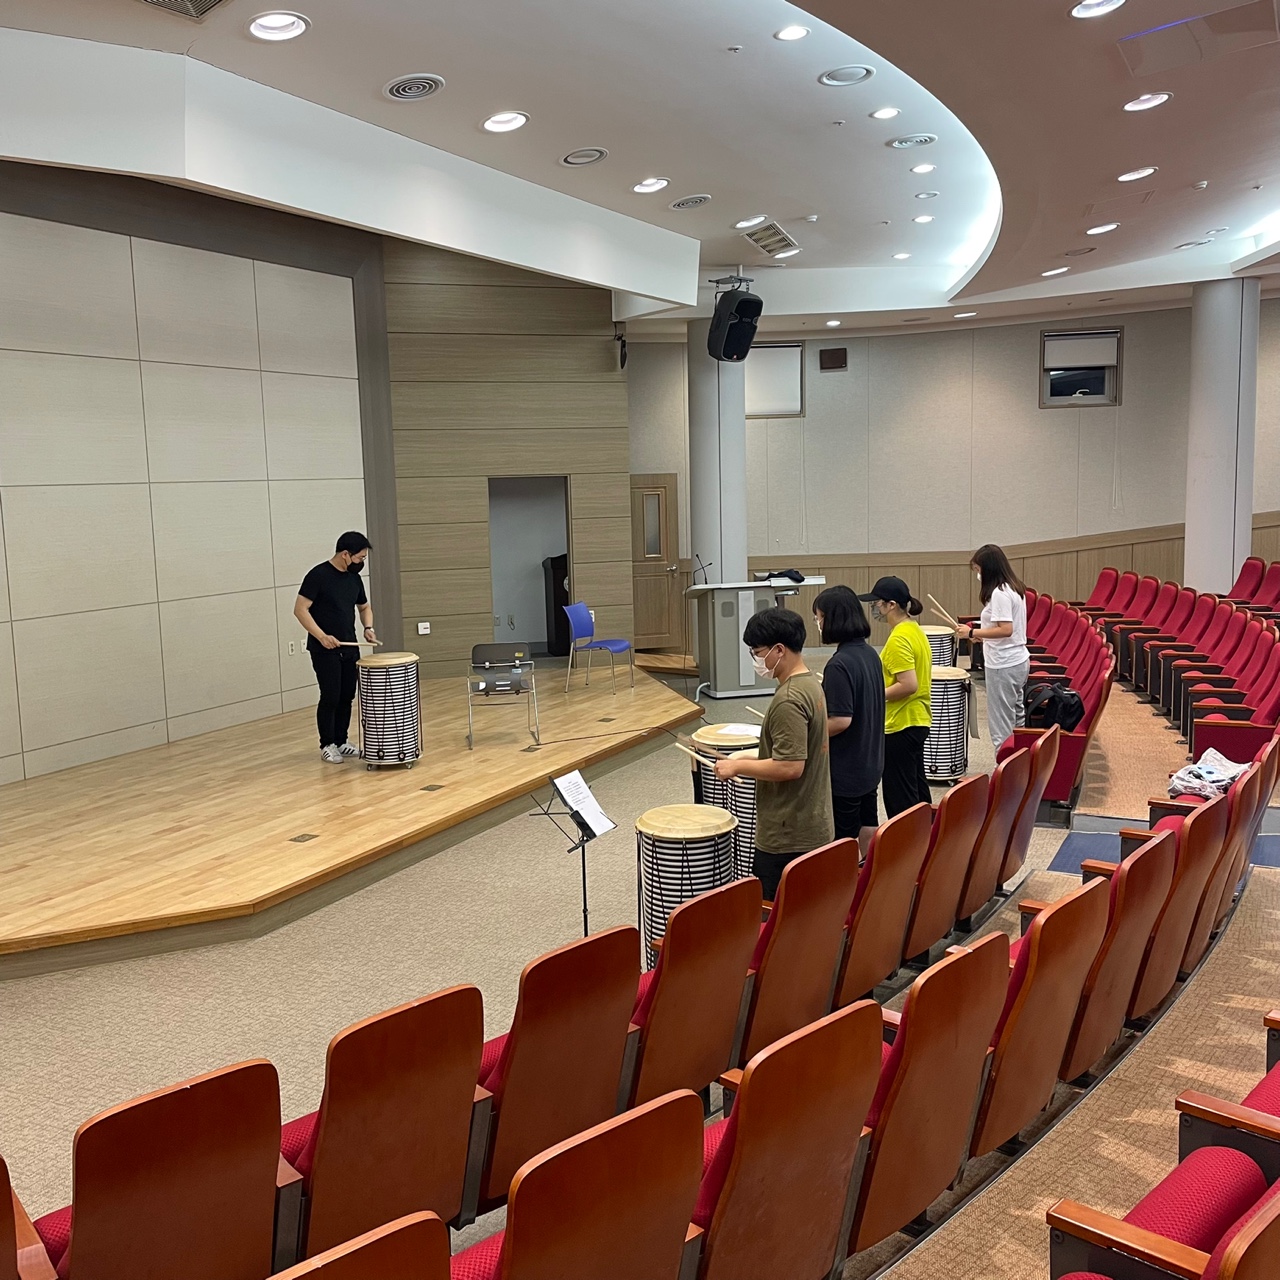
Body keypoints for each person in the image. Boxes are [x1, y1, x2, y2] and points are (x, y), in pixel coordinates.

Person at [713, 607, 833, 901]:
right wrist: (745, 758)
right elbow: (795, 751)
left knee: (775, 919)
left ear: (779, 650)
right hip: (812, 823)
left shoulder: (788, 699)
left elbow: (790, 766)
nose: (756, 659)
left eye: (758, 652)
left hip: (788, 836)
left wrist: (737, 768)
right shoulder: (810, 684)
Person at [295, 532, 378, 763]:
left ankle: (341, 740)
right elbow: (300, 609)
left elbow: (364, 607)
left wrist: (368, 627)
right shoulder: (318, 575)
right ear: (345, 554)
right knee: (330, 695)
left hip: (349, 646)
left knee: (347, 695)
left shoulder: (354, 579)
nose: (361, 562)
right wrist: (322, 636)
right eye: (360, 558)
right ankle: (327, 744)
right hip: (324, 649)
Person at [813, 585, 884, 849]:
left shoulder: (839, 664)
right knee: (868, 820)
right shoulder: (870, 653)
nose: (818, 623)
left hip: (846, 768)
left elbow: (841, 720)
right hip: (869, 760)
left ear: (833, 619)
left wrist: (807, 731)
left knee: (841, 840)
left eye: (820, 617)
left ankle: (847, 875)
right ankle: (871, 871)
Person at [858, 576, 933, 817]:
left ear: (891, 605)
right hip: (917, 720)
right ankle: (927, 834)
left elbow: (908, 684)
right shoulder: (914, 629)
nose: (874, 608)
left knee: (900, 797)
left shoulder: (899, 638)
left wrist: (872, 695)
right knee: (917, 789)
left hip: (901, 723)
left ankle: (908, 839)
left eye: (876, 603)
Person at [957, 543, 1029, 749]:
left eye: (978, 570)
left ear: (988, 569)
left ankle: (1004, 765)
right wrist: (982, 637)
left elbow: (1006, 629)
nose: (978, 575)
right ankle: (1019, 760)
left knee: (1001, 724)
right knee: (1016, 718)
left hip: (1003, 664)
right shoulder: (1015, 587)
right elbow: (1006, 630)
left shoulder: (1000, 593)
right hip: (1017, 660)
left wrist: (972, 632)